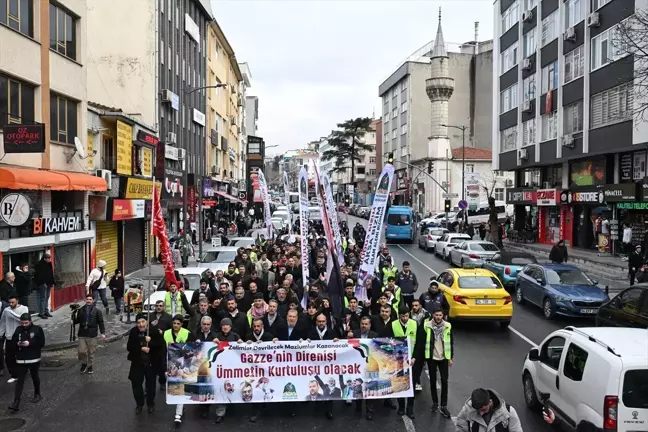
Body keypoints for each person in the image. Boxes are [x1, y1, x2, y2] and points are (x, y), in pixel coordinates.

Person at [415, 307, 453, 417]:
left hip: (444, 358)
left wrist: (450, 357)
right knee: (432, 381)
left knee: (444, 381)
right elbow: (422, 342)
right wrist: (421, 358)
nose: (438, 317)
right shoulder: (427, 326)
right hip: (431, 358)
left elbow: (451, 341)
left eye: (440, 315)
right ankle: (435, 403)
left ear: (443, 316)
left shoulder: (448, 326)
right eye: (436, 315)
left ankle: (444, 406)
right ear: (433, 315)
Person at [8, 313, 45, 412]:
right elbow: (13, 341)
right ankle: (16, 402)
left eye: (26, 323)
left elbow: (42, 343)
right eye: (22, 323)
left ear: (30, 321)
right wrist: (17, 343)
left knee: (34, 376)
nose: (24, 325)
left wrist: (30, 343)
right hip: (21, 359)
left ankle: (37, 393)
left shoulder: (37, 329)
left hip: (33, 358)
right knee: (20, 381)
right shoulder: (18, 329)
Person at [127, 313, 163, 414]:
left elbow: (160, 345)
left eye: (143, 322)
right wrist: (141, 348)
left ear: (146, 322)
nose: (141, 325)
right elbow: (129, 347)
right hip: (138, 363)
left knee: (150, 385)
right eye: (138, 323)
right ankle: (139, 404)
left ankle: (150, 403)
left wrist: (150, 342)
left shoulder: (153, 330)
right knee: (136, 384)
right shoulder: (133, 332)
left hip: (150, 363)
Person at [163, 315, 194, 426]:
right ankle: (181, 407)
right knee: (173, 389)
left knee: (179, 388)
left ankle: (178, 414)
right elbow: (161, 350)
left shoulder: (187, 333)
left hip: (182, 365)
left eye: (178, 324)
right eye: (174, 323)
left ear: (181, 324)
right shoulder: (166, 333)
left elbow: (191, 350)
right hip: (169, 365)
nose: (175, 325)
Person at [308, 313, 337, 419]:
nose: (321, 323)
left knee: (328, 386)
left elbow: (340, 347)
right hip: (315, 364)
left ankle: (329, 410)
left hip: (328, 365)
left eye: (323, 321)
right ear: (316, 322)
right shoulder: (310, 332)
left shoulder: (332, 332)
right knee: (317, 385)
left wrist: (337, 342)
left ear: (326, 321)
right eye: (319, 321)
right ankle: (318, 406)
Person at [454, 388, 523, 432]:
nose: (481, 413)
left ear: (490, 402)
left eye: (483, 410)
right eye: (478, 410)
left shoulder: (508, 412)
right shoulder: (467, 411)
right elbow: (460, 429)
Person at [348, 315, 376, 420]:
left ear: (370, 325)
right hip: (357, 366)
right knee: (358, 387)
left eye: (366, 324)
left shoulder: (375, 335)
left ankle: (369, 410)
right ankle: (358, 408)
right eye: (362, 324)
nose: (364, 326)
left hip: (369, 366)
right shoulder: (354, 334)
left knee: (369, 387)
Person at [72, 294, 106, 374]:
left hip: (92, 334)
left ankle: (90, 365)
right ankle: (84, 363)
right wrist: (73, 317)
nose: (88, 301)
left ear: (93, 301)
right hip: (82, 333)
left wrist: (102, 333)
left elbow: (101, 322)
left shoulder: (97, 311)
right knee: (81, 351)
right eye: (87, 299)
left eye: (90, 299)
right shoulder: (81, 310)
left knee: (91, 352)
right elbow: (77, 320)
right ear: (85, 300)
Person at [0, 296, 29, 383]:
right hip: (10, 336)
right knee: (9, 357)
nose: (11, 304)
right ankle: (14, 375)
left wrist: (10, 312)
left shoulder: (24, 308)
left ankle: (24, 371)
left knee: (21, 355)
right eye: (9, 303)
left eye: (13, 302)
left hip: (21, 336)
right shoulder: (6, 310)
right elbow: (3, 322)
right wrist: (1, 333)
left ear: (17, 301)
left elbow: (22, 319)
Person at [34, 252, 54, 319]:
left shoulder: (49, 264)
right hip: (42, 284)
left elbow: (51, 273)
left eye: (49, 259)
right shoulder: (39, 265)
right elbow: (39, 276)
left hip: (48, 283)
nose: (49, 260)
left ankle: (46, 311)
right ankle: (41, 313)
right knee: (43, 298)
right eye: (48, 259)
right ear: (44, 258)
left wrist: (52, 282)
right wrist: (43, 283)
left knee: (47, 297)